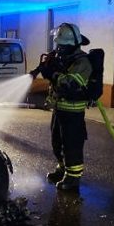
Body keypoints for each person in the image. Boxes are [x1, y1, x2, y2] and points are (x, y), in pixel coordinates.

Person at [30, 23, 92, 191]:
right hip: (59, 108)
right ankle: (63, 168)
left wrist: (53, 74)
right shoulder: (62, 57)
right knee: (57, 142)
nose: (59, 48)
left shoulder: (82, 62)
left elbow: (70, 83)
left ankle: (73, 178)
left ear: (73, 44)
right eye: (58, 44)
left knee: (71, 144)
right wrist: (41, 70)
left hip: (73, 112)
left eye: (62, 45)